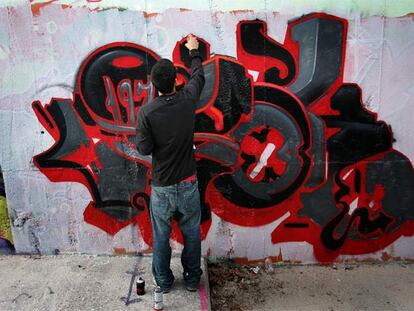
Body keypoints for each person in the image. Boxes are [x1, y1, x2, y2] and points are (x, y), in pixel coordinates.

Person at [136, 34, 205, 293]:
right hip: (188, 183)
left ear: (154, 84)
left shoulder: (147, 113)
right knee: (192, 233)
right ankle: (190, 280)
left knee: (161, 236)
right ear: (176, 80)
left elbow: (144, 149)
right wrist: (194, 51)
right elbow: (199, 77)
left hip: (163, 187)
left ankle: (164, 282)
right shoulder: (188, 100)